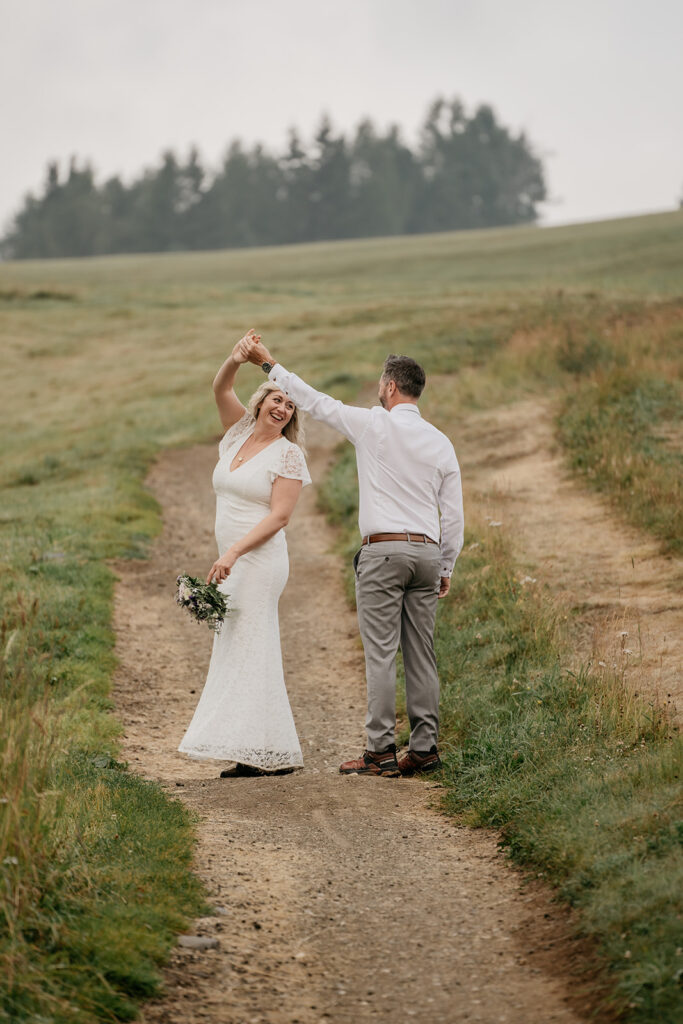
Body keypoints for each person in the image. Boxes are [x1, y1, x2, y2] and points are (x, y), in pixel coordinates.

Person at [246, 340, 464, 778]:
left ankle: (380, 750)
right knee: (421, 654)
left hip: (383, 553)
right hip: (425, 553)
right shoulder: (441, 442)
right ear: (417, 392)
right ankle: (424, 748)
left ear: (389, 387)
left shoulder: (373, 424)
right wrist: (445, 567)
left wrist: (268, 364)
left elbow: (313, 400)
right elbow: (454, 514)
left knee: (381, 654)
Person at [178, 330, 311, 776]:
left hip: (258, 560)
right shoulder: (236, 436)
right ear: (260, 403)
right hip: (231, 559)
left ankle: (260, 752)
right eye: (276, 399)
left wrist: (233, 552)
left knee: (252, 644)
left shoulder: (288, 455)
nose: (282, 408)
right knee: (238, 644)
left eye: (290, 405)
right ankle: (262, 748)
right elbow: (220, 388)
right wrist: (236, 358)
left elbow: (280, 518)